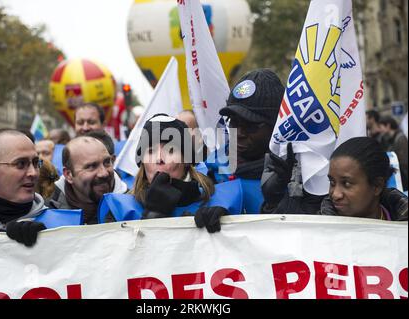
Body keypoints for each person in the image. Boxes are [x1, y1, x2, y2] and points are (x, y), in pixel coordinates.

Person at [100, 114, 244, 233]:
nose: (159, 159)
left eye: (170, 150)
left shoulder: (223, 200)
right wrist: (152, 216)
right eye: (150, 151)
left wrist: (228, 224)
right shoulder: (120, 210)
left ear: (187, 160)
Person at [0, 129, 82, 245]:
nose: (33, 173)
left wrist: (51, 245)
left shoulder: (66, 227)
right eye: (20, 164)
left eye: (35, 163)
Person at [213, 69, 285, 213]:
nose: (239, 133)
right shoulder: (206, 171)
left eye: (250, 125)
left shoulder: (297, 180)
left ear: (276, 126)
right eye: (233, 122)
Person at [320, 137, 407, 221]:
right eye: (332, 182)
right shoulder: (317, 231)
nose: (335, 194)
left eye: (346, 184)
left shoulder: (403, 228)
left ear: (377, 186)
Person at [46, 136, 128, 224]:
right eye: (92, 166)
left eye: (107, 162)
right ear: (68, 175)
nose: (104, 173)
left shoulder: (133, 208)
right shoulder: (47, 214)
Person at [379, 116, 408, 190]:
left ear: (388, 125)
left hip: (403, 177)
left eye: (381, 126)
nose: (380, 129)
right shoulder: (387, 139)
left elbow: (405, 161)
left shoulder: (400, 138)